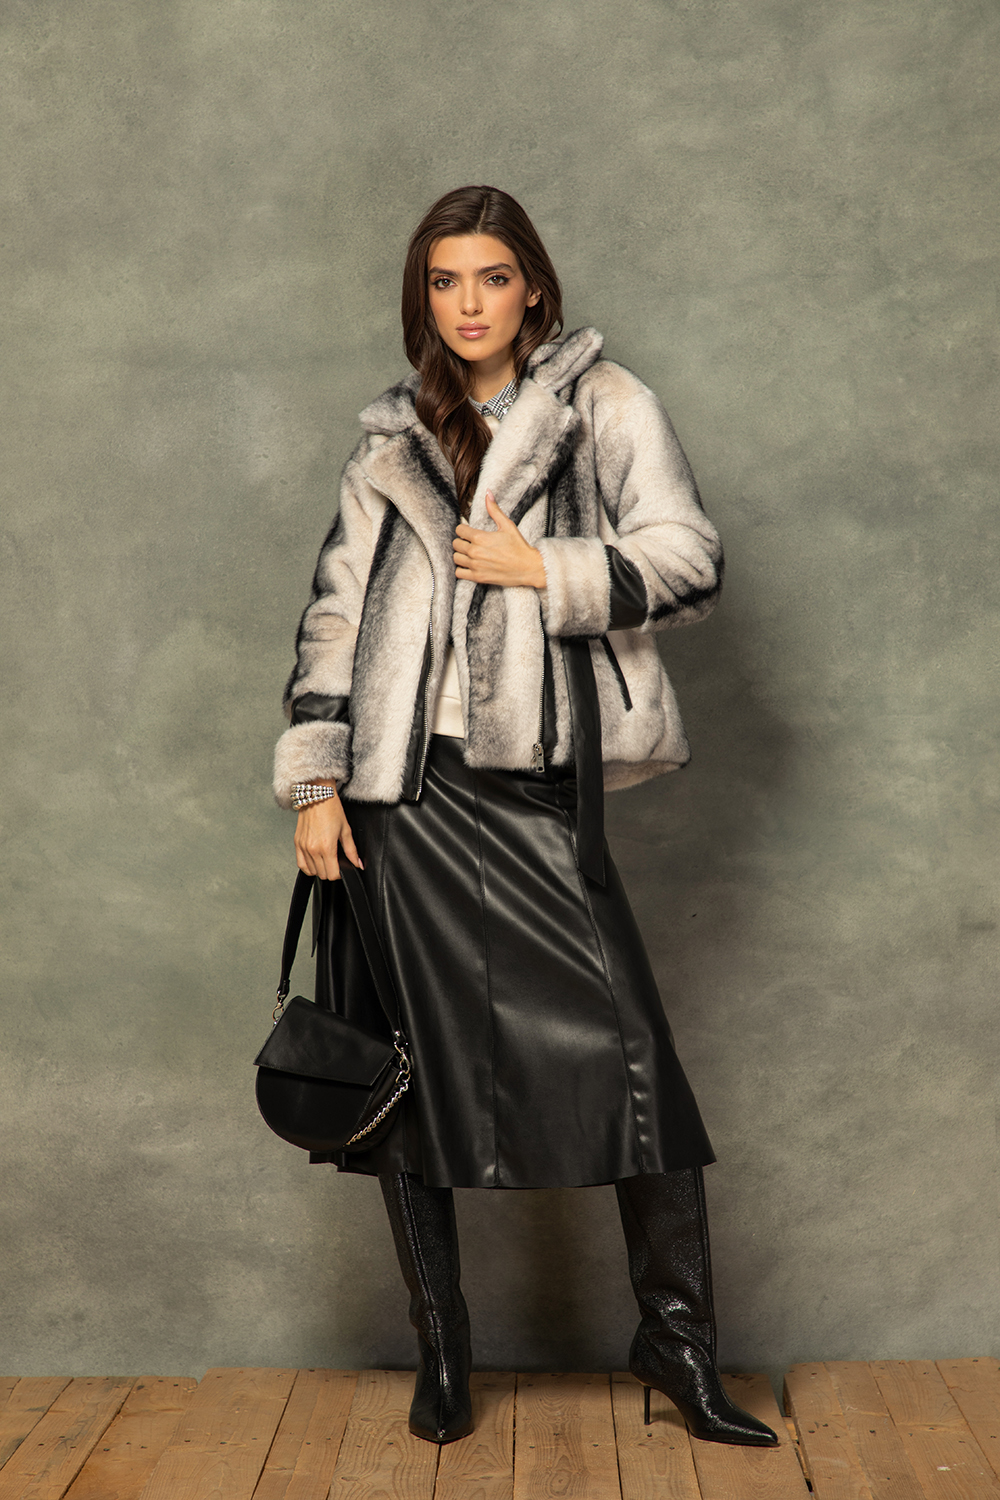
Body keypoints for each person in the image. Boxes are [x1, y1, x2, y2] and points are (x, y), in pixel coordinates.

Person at [273, 185, 776, 1449]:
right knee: (416, 1073)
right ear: (423, 296)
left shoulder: (604, 405)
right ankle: (443, 1349)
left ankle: (677, 1344)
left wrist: (543, 568)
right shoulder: (390, 436)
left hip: (539, 784)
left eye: (491, 278)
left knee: (633, 1063)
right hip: (402, 798)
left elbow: (691, 558)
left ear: (533, 289)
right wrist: (317, 780)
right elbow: (335, 615)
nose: (468, 305)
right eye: (444, 282)